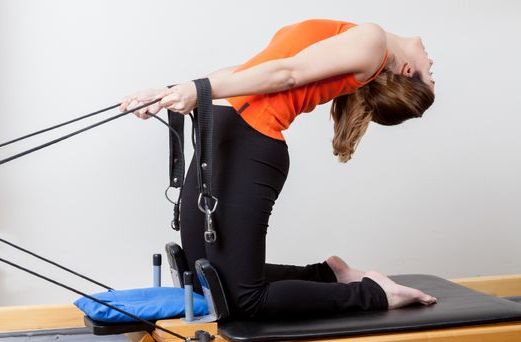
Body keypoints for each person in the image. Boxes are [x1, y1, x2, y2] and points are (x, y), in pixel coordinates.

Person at [120, 18, 437, 319]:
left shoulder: (373, 41)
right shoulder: (365, 38)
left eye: (431, 77)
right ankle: (331, 275)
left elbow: (288, 73)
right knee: (199, 274)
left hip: (250, 141)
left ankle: (378, 295)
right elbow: (250, 70)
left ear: (407, 70)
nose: (434, 67)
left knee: (243, 301)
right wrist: (169, 92)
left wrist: (195, 90)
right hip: (223, 129)